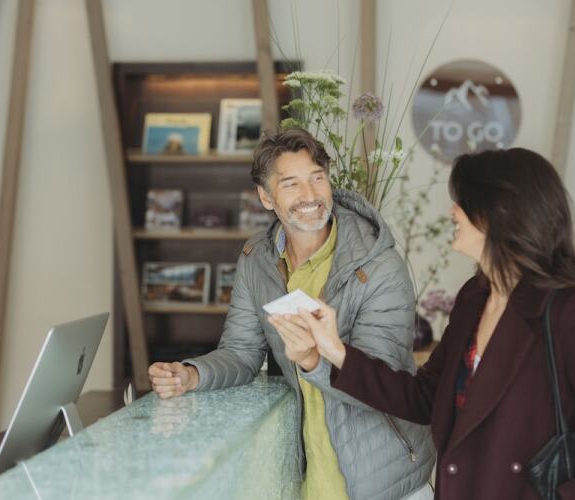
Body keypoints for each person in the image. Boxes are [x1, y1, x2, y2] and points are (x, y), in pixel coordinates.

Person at [290, 148, 575, 499]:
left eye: (462, 202)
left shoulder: (572, 312)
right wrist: (335, 351)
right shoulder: (474, 298)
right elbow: (425, 398)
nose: (452, 211)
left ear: (498, 213)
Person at [149, 128, 435, 500]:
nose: (310, 195)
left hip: (385, 481)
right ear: (266, 197)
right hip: (309, 478)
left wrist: (313, 361)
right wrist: (192, 374)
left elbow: (382, 385)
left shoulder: (379, 265)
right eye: (291, 184)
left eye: (317, 178)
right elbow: (241, 352)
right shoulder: (257, 259)